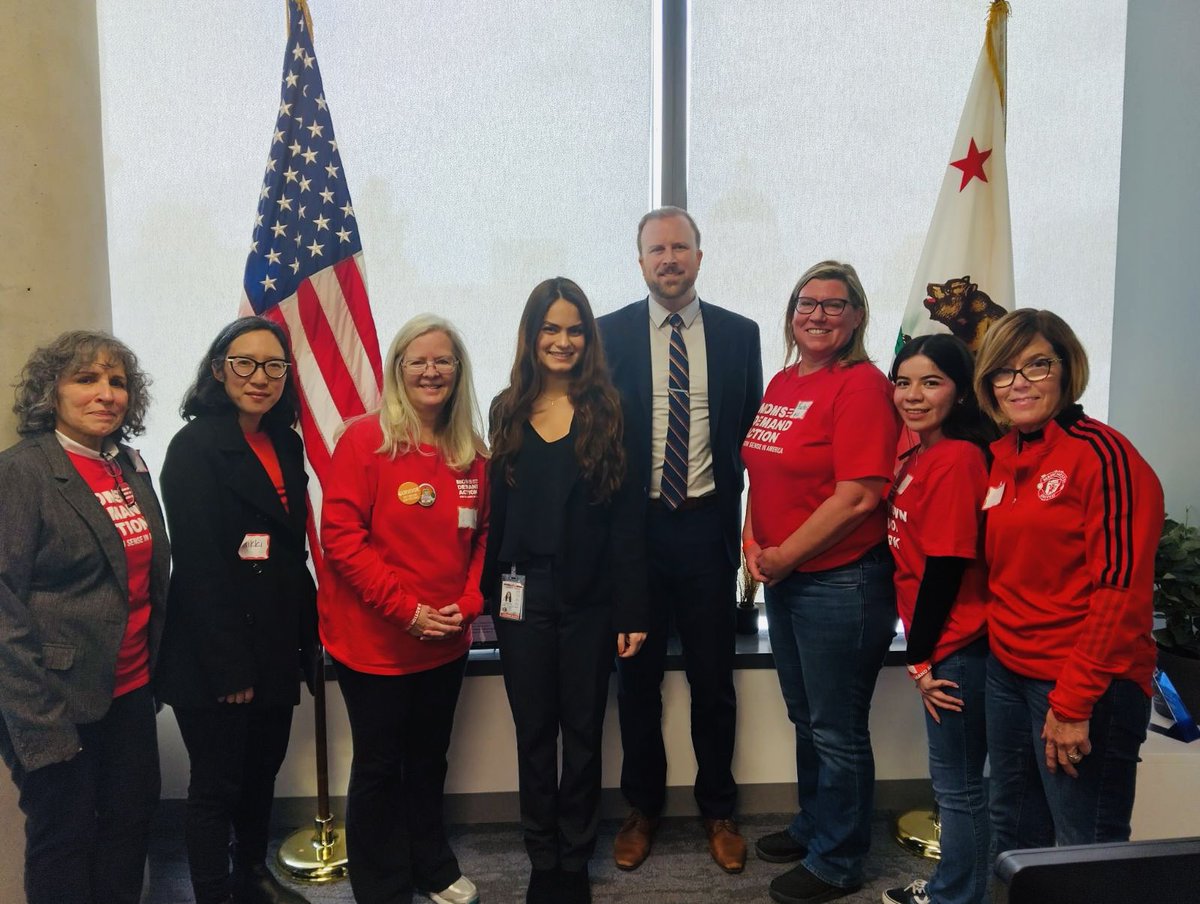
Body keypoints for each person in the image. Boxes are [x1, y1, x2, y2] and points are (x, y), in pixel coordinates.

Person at [598, 206, 762, 874]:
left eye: (681, 247)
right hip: (633, 533)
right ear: (639, 260)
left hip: (705, 528)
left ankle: (718, 810)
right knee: (634, 681)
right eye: (656, 249)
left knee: (712, 681)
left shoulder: (738, 335)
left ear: (700, 255)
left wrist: (754, 526)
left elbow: (752, 440)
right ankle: (643, 809)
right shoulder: (606, 335)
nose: (669, 259)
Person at [973, 309, 1163, 855]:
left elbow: (1120, 592)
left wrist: (1074, 702)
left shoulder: (1105, 456)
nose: (1019, 383)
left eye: (1036, 365)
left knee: (1085, 845)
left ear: (1067, 368)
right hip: (1008, 672)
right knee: (1012, 830)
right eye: (1003, 372)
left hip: (1084, 682)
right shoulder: (1002, 457)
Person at [484, 277, 648, 904]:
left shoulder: (613, 408)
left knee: (582, 731)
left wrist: (632, 607)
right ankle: (542, 855)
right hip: (521, 598)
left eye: (573, 329)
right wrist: (485, 596)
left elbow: (630, 517)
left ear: (589, 338)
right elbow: (496, 514)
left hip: (590, 597)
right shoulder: (506, 408)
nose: (562, 340)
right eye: (550, 329)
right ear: (531, 336)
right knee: (533, 731)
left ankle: (574, 857)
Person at [742, 260, 899, 904]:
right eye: (808, 303)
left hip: (840, 583)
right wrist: (754, 543)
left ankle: (839, 858)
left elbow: (859, 496)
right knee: (807, 717)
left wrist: (782, 557)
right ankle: (815, 825)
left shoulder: (861, 386)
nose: (819, 314)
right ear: (791, 312)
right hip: (786, 577)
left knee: (837, 726)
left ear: (858, 316)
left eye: (836, 306)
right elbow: (764, 474)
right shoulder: (783, 381)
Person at [320, 315, 488, 904]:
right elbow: (340, 538)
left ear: (458, 372)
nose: (430, 371)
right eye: (417, 360)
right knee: (378, 767)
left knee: (427, 760)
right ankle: (381, 884)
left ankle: (431, 865)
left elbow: (484, 538)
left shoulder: (471, 451)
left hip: (447, 640)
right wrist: (407, 611)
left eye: (442, 361)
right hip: (377, 644)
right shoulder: (364, 440)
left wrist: (466, 607)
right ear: (397, 370)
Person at [0, 331, 169, 904]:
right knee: (63, 843)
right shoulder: (22, 472)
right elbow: (2, 607)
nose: (106, 394)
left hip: (129, 691)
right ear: (53, 392)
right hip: (55, 701)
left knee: (129, 827)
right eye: (86, 379)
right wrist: (38, 719)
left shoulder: (126, 466)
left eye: (117, 382)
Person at [156, 316, 317, 904]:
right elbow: (199, 568)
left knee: (261, 776)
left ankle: (251, 876)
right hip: (215, 657)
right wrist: (230, 671)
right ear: (219, 370)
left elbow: (288, 552)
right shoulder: (194, 446)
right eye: (245, 364)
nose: (260, 377)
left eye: (274, 366)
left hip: (274, 644)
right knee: (216, 786)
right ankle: (214, 892)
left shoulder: (285, 440)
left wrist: (307, 643)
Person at [882, 334, 1000, 904]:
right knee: (955, 783)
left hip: (958, 647)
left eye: (931, 382)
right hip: (944, 642)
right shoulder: (920, 450)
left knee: (958, 789)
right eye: (904, 381)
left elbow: (947, 566)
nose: (913, 395)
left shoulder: (956, 458)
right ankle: (958, 890)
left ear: (960, 391)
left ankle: (957, 897)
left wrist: (921, 656)